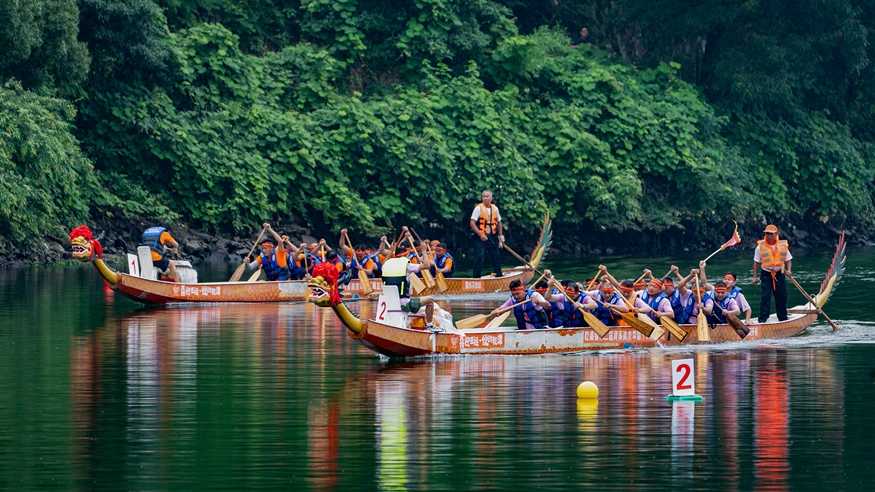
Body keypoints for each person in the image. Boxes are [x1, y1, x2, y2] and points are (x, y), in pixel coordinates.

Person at [752, 224, 792, 322]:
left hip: (779, 273)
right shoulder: (759, 247)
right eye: (767, 234)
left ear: (776, 234)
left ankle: (783, 318)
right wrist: (755, 276)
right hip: (766, 273)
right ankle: (762, 320)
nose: (768, 236)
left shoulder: (783, 246)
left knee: (781, 296)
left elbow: (788, 259)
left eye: (771, 234)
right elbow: (756, 262)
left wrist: (789, 270)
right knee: (765, 297)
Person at [469, 190, 504, 278]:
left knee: (496, 255)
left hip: (492, 235)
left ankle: (499, 275)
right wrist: (480, 234)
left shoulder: (495, 208)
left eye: (487, 196)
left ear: (491, 198)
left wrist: (500, 236)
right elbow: (472, 223)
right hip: (480, 236)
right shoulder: (478, 208)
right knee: (480, 256)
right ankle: (476, 278)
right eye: (483, 196)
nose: (485, 198)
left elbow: (499, 222)